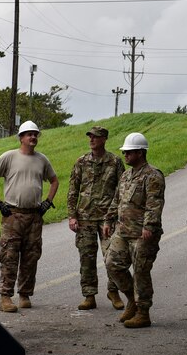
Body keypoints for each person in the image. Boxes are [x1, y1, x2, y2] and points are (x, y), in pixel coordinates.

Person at [0, 120, 59, 313]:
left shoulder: (42, 160)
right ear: (21, 138)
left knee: (31, 257)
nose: (33, 137)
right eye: (29, 134)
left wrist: (48, 202)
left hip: (34, 216)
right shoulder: (9, 157)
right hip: (12, 216)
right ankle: (5, 297)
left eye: (35, 134)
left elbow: (54, 180)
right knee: (9, 256)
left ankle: (24, 294)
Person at [103, 132, 165, 328]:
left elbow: (154, 204)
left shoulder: (153, 175)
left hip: (142, 234)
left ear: (140, 152)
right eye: (125, 152)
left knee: (140, 272)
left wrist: (149, 226)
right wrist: (108, 220)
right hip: (123, 231)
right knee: (112, 263)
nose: (125, 155)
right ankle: (131, 300)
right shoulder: (125, 175)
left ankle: (143, 312)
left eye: (129, 152)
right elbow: (117, 200)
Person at [67, 125, 126, 311]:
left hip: (108, 218)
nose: (91, 139)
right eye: (90, 136)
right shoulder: (81, 162)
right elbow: (72, 190)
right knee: (86, 258)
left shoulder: (115, 162)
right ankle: (89, 295)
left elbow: (122, 190)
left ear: (104, 139)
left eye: (95, 137)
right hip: (85, 218)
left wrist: (118, 215)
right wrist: (72, 216)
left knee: (112, 257)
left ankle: (113, 291)